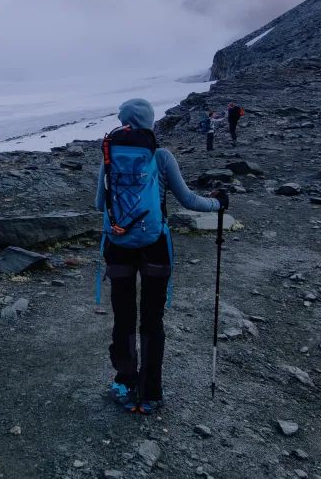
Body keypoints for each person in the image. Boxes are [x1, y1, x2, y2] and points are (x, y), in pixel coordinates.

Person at [96, 98, 229, 414]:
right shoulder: (162, 156)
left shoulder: (108, 155)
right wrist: (219, 203)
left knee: (124, 318)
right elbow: (189, 200)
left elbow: (100, 204)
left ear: (125, 120)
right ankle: (151, 392)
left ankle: (125, 384)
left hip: (118, 246)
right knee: (152, 318)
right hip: (156, 245)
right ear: (150, 121)